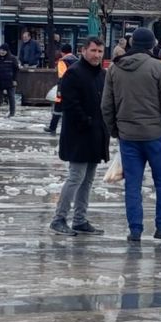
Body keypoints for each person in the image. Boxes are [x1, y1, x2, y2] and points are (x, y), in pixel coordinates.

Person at [102, 27, 161, 243]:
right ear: (152, 45)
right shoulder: (158, 68)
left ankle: (135, 230)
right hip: (157, 136)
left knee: (132, 184)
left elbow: (107, 106)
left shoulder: (115, 70)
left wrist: (116, 130)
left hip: (128, 137)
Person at [50, 37, 109, 237]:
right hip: (78, 135)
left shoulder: (102, 74)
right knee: (76, 177)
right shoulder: (74, 73)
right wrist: (87, 122)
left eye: (100, 51)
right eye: (93, 51)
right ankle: (59, 219)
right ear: (83, 50)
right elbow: (69, 104)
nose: (97, 55)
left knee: (88, 180)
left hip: (96, 135)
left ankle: (80, 220)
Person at [45, 45, 78, 134]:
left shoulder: (62, 61)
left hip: (64, 89)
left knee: (57, 108)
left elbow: (62, 77)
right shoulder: (77, 60)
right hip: (75, 89)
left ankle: (53, 127)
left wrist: (59, 91)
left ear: (62, 52)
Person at [0, 43, 19, 118]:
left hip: (9, 80)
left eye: (4, 50)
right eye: (1, 50)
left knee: (11, 97)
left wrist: (15, 79)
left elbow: (16, 70)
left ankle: (12, 112)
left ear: (7, 51)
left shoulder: (12, 58)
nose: (2, 52)